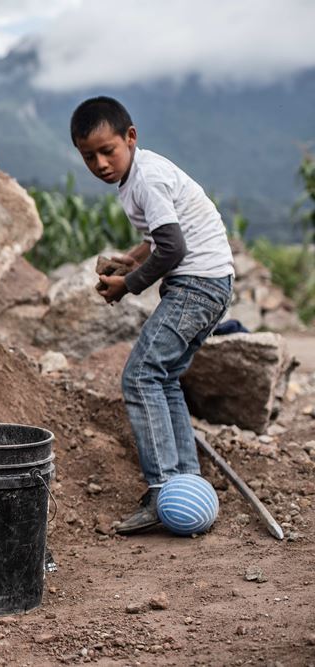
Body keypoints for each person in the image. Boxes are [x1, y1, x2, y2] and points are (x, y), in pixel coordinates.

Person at [70, 96, 234, 534]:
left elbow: (176, 248)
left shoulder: (146, 179)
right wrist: (132, 257)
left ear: (131, 137)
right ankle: (187, 483)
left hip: (197, 284)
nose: (102, 163)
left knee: (140, 377)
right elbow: (161, 235)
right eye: (89, 156)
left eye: (109, 151)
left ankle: (162, 488)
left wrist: (130, 284)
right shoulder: (138, 176)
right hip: (211, 282)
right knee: (163, 377)